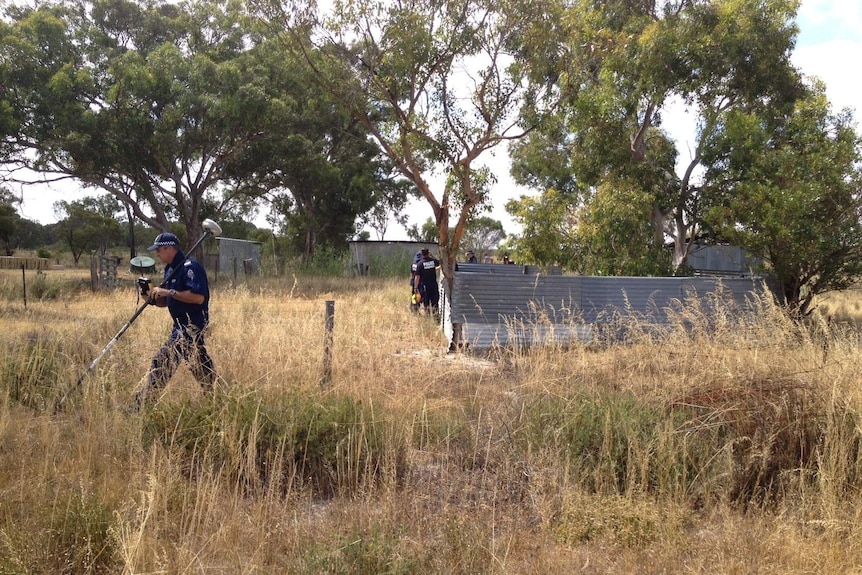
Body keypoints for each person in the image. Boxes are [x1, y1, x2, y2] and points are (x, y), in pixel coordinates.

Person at [129, 231, 216, 409]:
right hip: (179, 326)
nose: (157, 254)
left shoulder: (190, 267)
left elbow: (198, 298)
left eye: (159, 250)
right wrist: (150, 298)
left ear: (169, 248)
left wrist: (169, 292)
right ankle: (216, 398)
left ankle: (141, 406)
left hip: (192, 325)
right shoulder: (170, 269)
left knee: (163, 361)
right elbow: (167, 301)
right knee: (198, 364)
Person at [413, 247, 441, 317]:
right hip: (434, 285)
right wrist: (432, 256)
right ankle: (436, 317)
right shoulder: (432, 261)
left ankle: (428, 317)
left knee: (426, 303)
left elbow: (417, 277)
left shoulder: (420, 264)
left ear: (422, 254)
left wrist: (415, 288)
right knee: (435, 302)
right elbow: (439, 262)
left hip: (425, 287)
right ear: (428, 253)